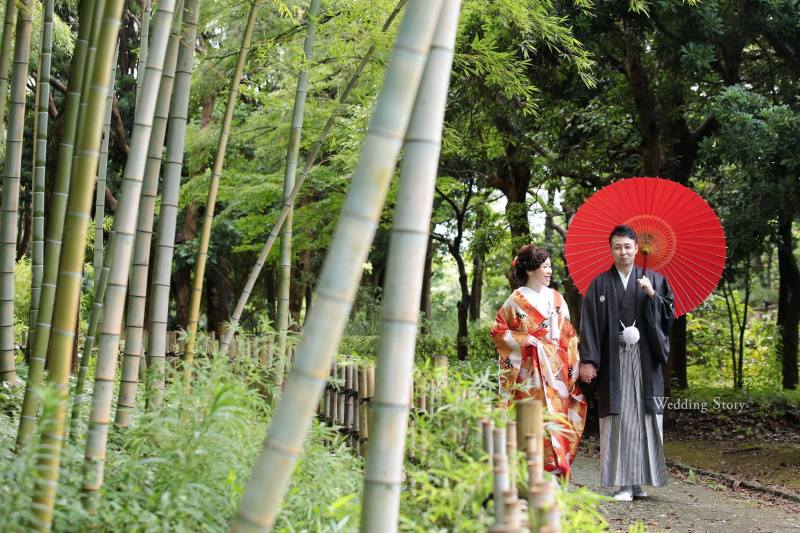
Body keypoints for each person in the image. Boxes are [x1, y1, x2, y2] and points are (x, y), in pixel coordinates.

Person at [578, 225, 674, 501]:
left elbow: (669, 315)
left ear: (636, 248)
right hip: (614, 360)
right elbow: (590, 324)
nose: (623, 252)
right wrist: (589, 359)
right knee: (620, 418)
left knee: (643, 418)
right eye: (617, 247)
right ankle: (623, 484)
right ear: (611, 250)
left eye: (627, 246)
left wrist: (652, 296)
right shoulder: (600, 283)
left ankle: (639, 482)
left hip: (644, 359)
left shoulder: (654, 280)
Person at [491, 244, 587, 479]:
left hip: (556, 369)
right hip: (529, 371)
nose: (549, 271)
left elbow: (569, 334)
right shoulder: (515, 301)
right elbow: (498, 332)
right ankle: (531, 469)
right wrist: (525, 340)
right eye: (545, 267)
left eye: (550, 267)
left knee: (557, 414)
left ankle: (556, 466)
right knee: (532, 416)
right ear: (531, 270)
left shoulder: (556, 298)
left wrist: (573, 364)